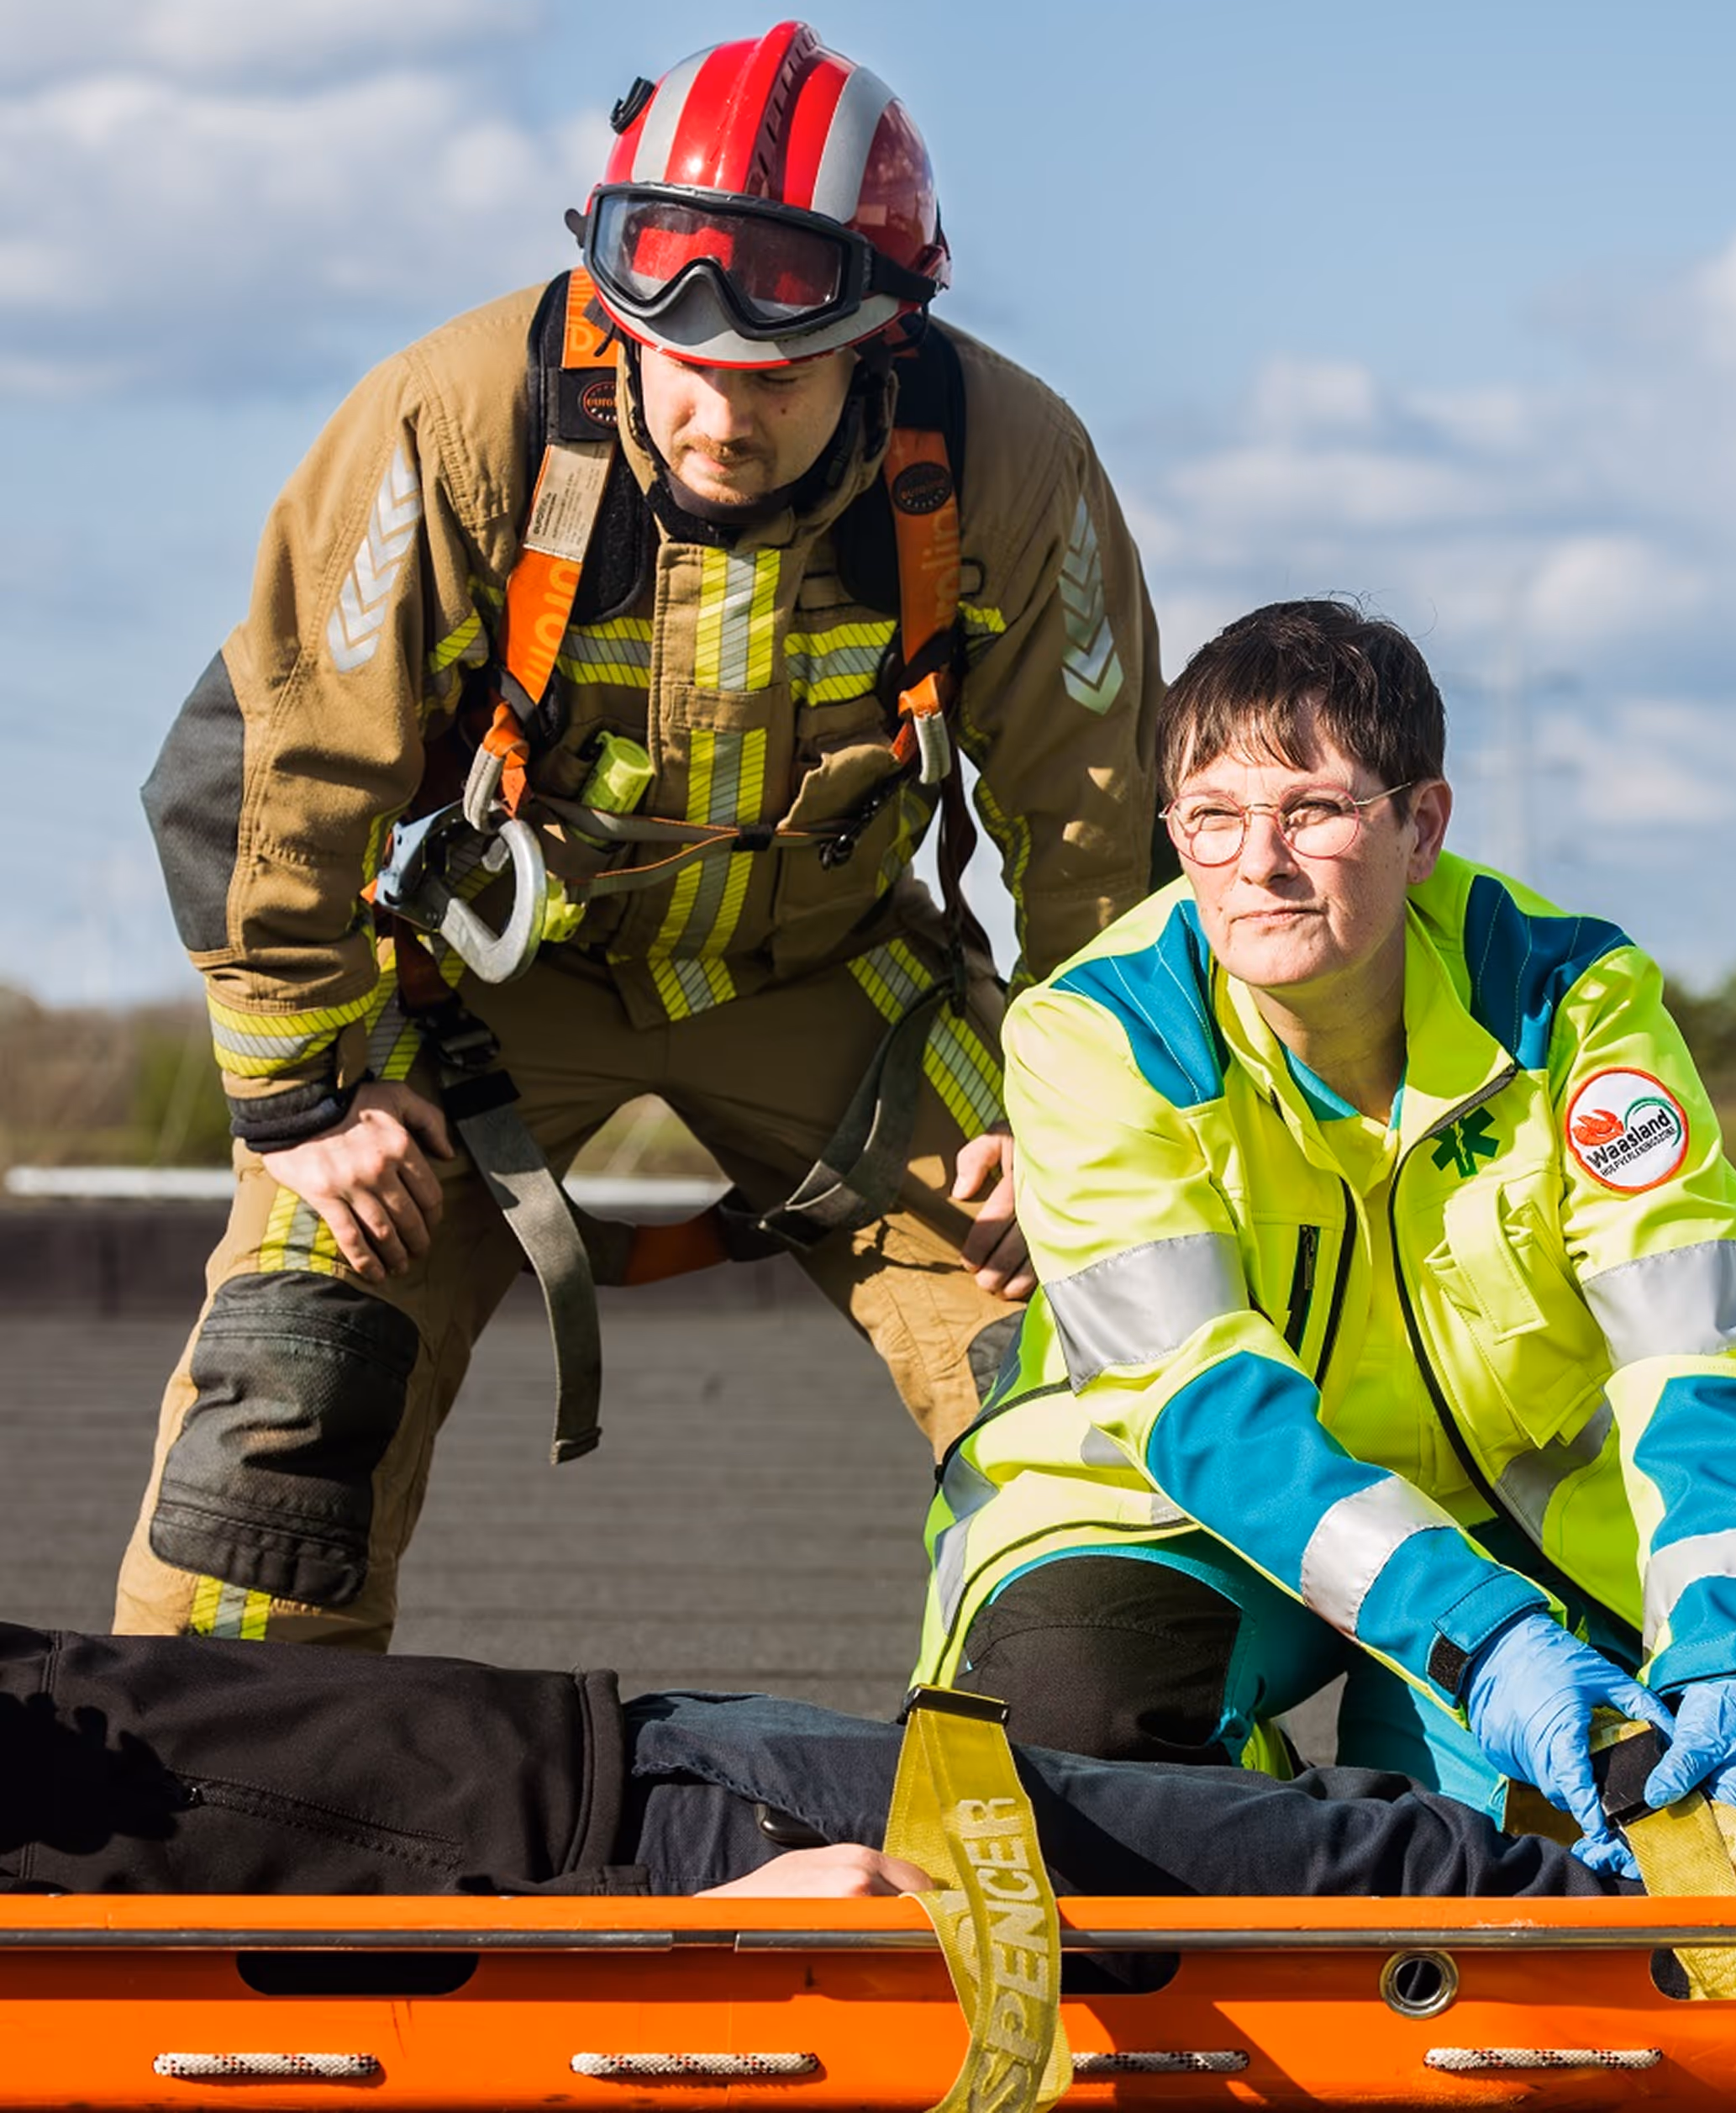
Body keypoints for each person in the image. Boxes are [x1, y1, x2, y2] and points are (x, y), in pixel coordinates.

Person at [116, 24, 1162, 1651]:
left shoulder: (1009, 463)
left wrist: (1086, 1128)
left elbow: (1098, 834)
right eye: (680, 359)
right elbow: (264, 770)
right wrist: (304, 1095)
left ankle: (1103, 1836)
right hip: (480, 990)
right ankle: (230, 1859)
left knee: (1116, 1378)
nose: (721, 412)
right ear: (615, 306)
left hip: (839, 989)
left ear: (880, 344)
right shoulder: (456, 416)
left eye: (780, 373)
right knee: (282, 1425)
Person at [913, 598, 1736, 1875]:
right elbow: (1202, 1411)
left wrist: (1727, 1648)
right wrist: (1475, 1634)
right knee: (1062, 1747)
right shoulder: (1097, 1032)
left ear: (1421, 825)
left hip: (1503, 1524)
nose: (1255, 864)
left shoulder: (1572, 1002)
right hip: (1171, 1513)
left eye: (1314, 811)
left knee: (1571, 1859)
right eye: (1211, 819)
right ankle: (1253, 1777)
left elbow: (1708, 1344)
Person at [0, 1582, 1736, 1900]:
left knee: (1392, 1839)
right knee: (1417, 1891)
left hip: (627, 1742)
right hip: (651, 1859)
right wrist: (674, 1952)